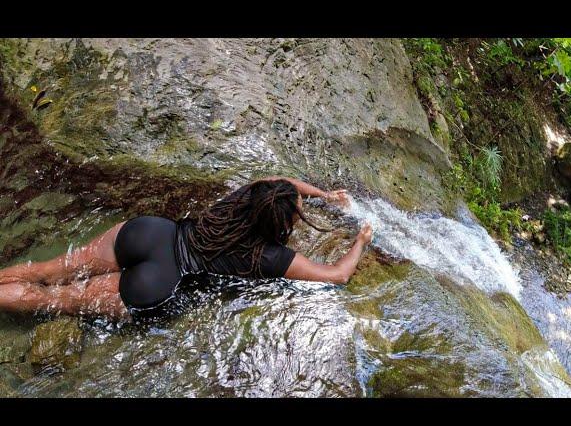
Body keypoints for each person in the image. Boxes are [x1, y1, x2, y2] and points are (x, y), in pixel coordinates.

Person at [0, 176, 373, 320]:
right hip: (160, 281)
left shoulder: (240, 199)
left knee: (47, 270)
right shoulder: (271, 257)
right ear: (280, 224)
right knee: (53, 300)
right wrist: (360, 241)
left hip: (149, 233)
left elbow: (278, 181)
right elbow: (336, 275)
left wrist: (322, 194)